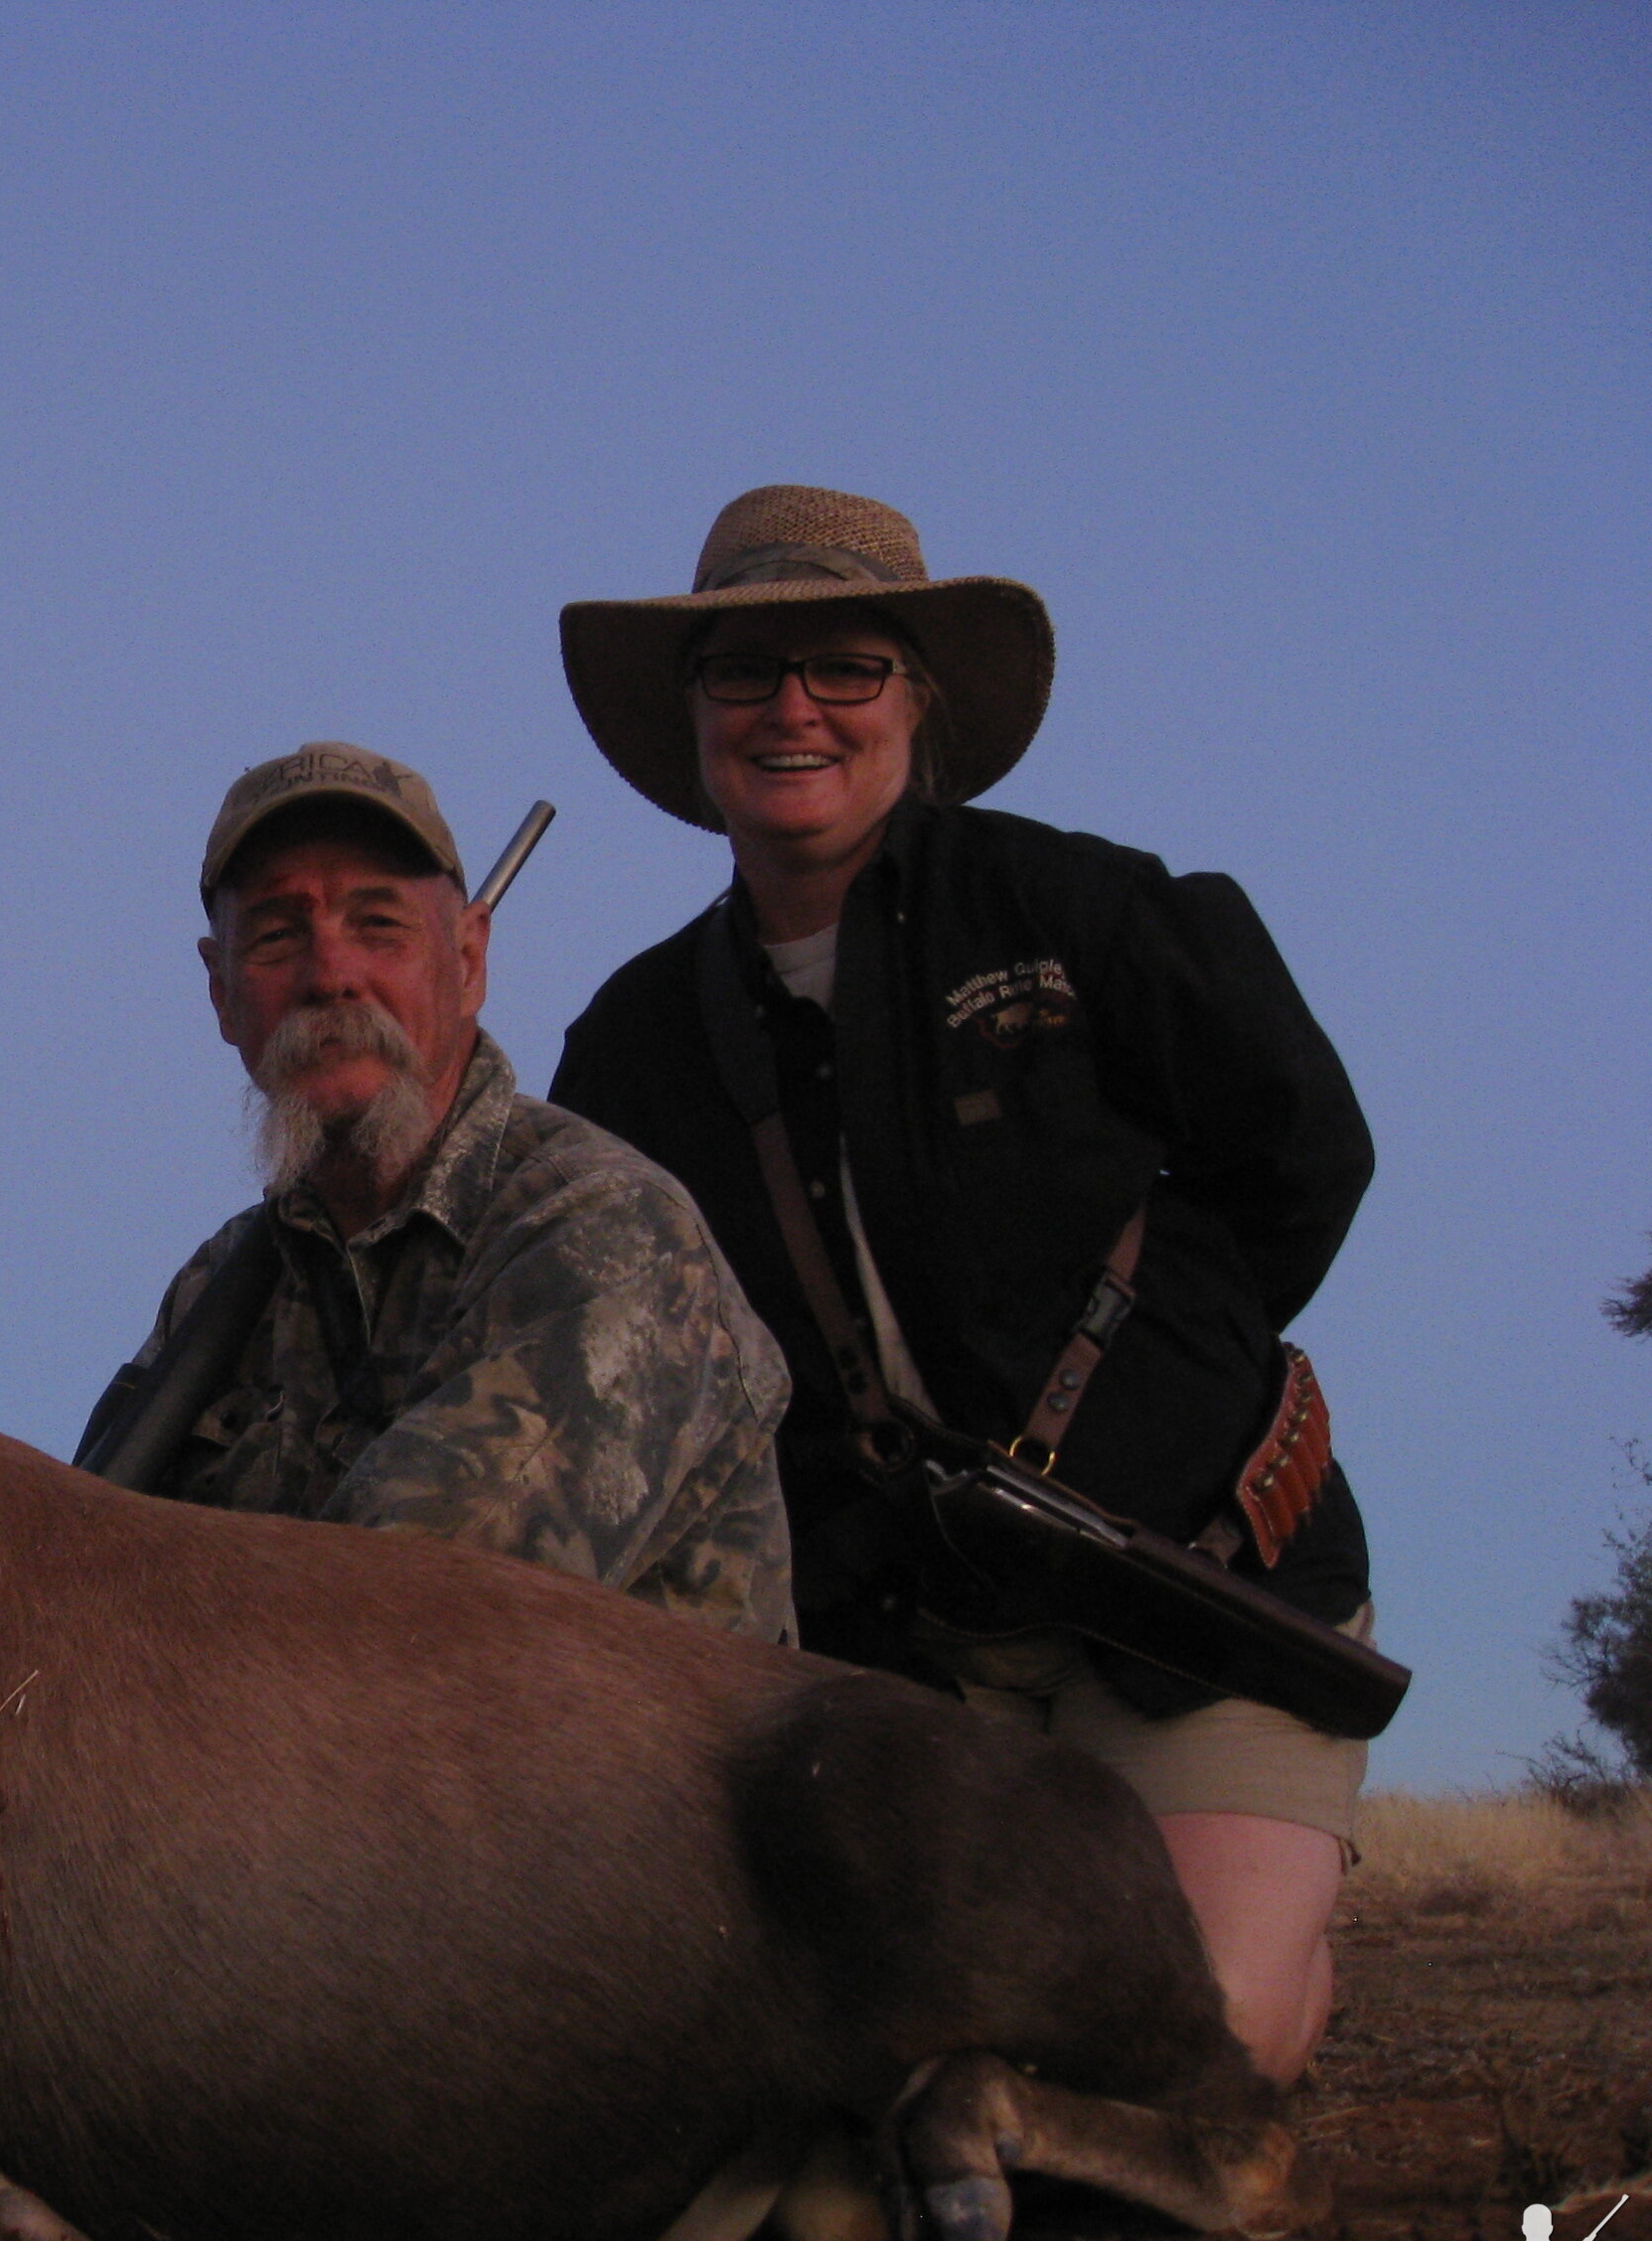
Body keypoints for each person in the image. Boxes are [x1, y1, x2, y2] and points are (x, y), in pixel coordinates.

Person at [545, 486, 1381, 2084]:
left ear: (916, 706)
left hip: (1202, 1601)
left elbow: (1302, 1154)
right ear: (698, 716)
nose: (795, 710)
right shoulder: (634, 1047)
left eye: (846, 666)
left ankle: (1279, 1955)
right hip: (907, 1659)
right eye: (744, 673)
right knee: (838, 2055)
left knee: (1192, 2053)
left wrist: (1154, 1398)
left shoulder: (1085, 910)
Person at [79, 740, 796, 1641]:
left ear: (469, 962)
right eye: (275, 935)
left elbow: (405, 1626)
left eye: (378, 925)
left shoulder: (604, 1233)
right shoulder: (220, 1288)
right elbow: (71, 1573)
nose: (331, 974)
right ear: (222, 993)